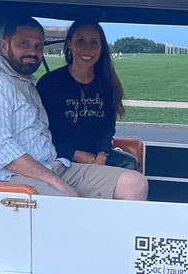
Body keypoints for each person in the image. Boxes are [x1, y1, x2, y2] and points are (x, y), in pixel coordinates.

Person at [0, 16, 148, 200]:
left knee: (135, 184)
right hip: (8, 177)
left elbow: (104, 128)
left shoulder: (26, 85)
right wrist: (56, 179)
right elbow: (0, 148)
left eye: (38, 46)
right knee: (69, 197)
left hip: (52, 166)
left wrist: (100, 154)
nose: (32, 52)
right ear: (4, 46)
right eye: (24, 44)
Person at [37, 21, 140, 171]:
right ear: (70, 44)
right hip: (59, 156)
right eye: (80, 41)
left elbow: (108, 130)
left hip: (96, 157)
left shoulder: (107, 84)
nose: (87, 48)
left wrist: (102, 155)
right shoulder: (49, 83)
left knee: (131, 163)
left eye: (94, 43)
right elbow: (41, 131)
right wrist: (75, 154)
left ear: (101, 49)